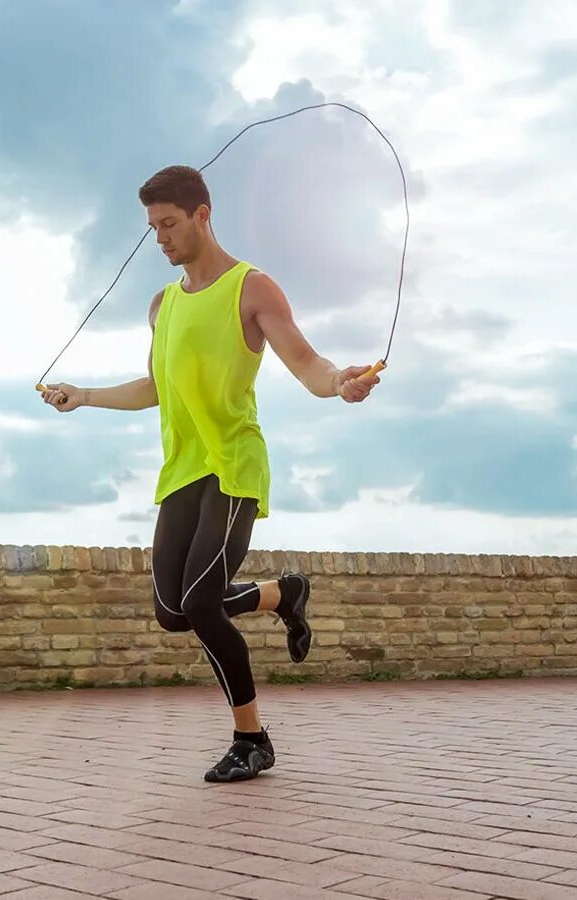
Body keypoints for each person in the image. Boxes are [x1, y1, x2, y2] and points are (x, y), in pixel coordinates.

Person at [40, 165, 380, 782]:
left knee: (200, 603)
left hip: (232, 467)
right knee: (172, 611)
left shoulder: (253, 289)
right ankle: (282, 595)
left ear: (202, 215)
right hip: (182, 472)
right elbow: (154, 388)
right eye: (152, 228)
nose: (160, 238)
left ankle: (251, 740)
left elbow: (306, 364)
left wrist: (340, 384)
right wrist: (81, 395)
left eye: (169, 224)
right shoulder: (161, 305)